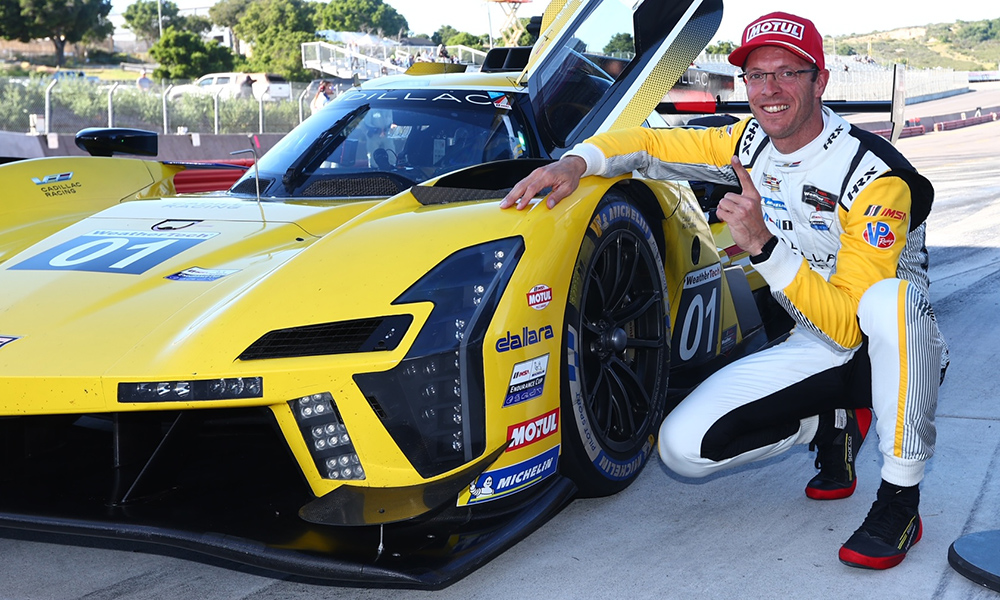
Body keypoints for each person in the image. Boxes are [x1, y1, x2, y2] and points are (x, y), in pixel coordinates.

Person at [501, 11, 948, 570]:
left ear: (820, 82)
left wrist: (764, 245)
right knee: (681, 450)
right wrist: (576, 162)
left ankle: (900, 499)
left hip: (890, 348)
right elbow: (646, 143)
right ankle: (825, 419)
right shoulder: (748, 140)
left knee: (891, 301)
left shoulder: (875, 176)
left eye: (787, 72)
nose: (769, 90)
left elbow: (848, 326)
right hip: (812, 338)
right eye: (756, 76)